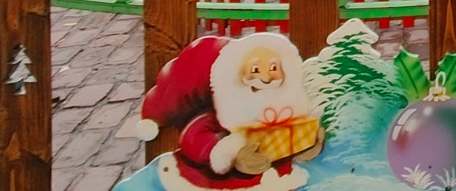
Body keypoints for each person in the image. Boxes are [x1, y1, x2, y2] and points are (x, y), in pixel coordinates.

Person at [133, 34, 322, 190]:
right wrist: (229, 155)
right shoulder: (226, 111)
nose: (266, 78)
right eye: (256, 69)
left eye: (273, 68)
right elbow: (194, 138)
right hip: (226, 183)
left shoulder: (284, 106)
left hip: (277, 177)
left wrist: (304, 144)